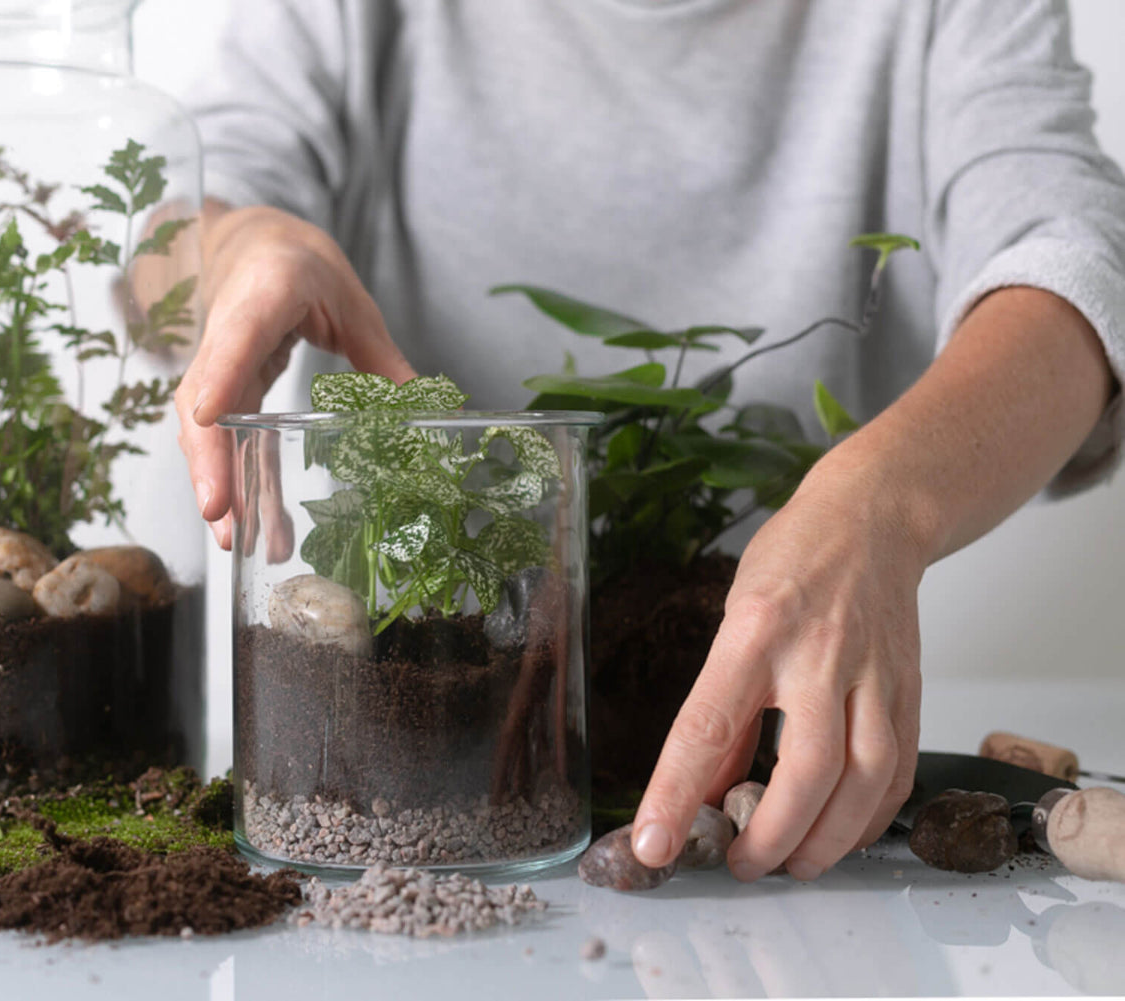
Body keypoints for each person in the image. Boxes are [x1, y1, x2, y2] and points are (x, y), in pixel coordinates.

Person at [171, 0, 1125, 882]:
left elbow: (1079, 257)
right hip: (395, 770)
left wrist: (883, 503)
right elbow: (175, 222)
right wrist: (243, 244)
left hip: (778, 760)